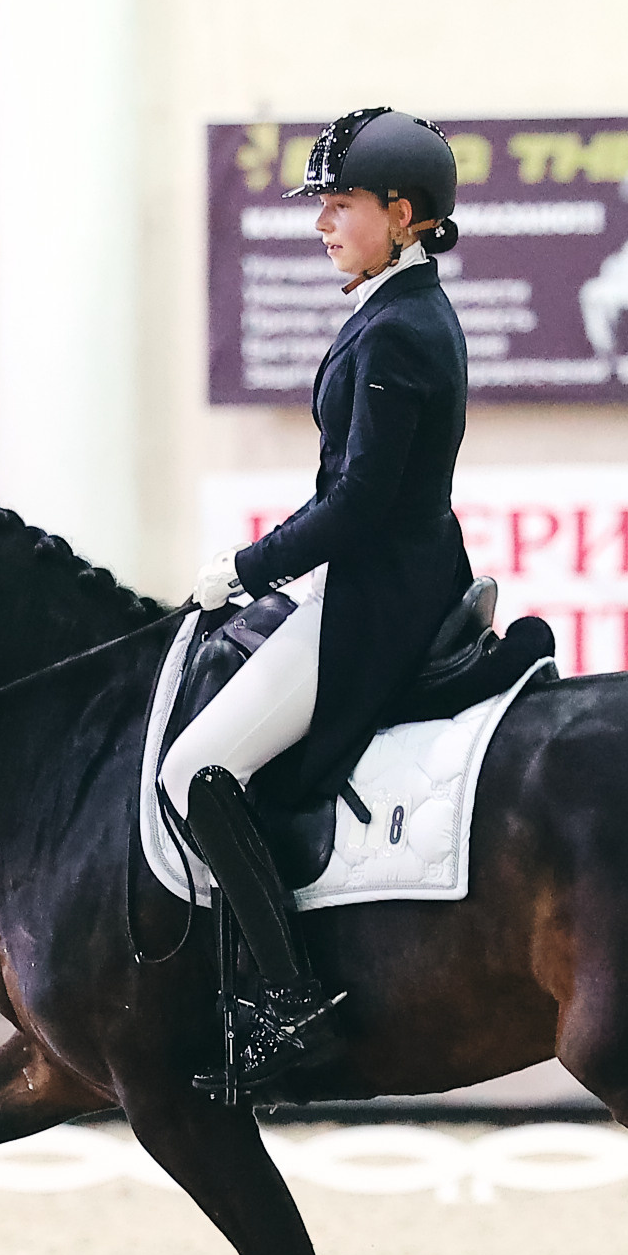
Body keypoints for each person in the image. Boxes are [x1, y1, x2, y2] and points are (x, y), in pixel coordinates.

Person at [161, 106, 475, 1090]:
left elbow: (357, 504)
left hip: (379, 598)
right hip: (389, 574)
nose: (321, 223)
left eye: (340, 204)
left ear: (404, 213)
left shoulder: (400, 330)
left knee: (195, 770)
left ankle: (294, 1006)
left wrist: (245, 569)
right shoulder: (396, 310)